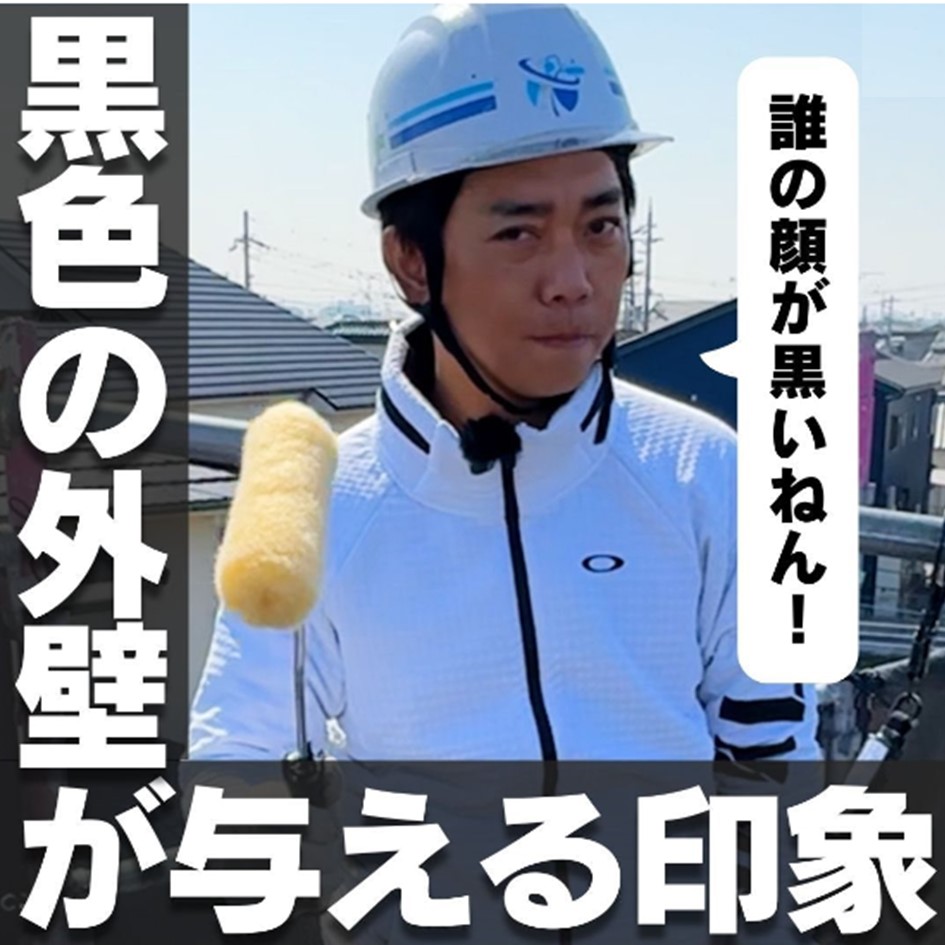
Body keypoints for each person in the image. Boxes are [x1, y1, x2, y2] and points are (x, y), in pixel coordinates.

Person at [189, 3, 821, 765]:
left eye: (600, 226)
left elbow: (772, 754)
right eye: (518, 232)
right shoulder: (315, 510)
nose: (572, 281)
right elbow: (238, 752)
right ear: (411, 261)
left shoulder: (706, 471)